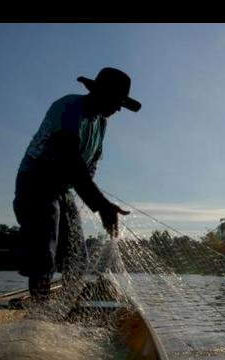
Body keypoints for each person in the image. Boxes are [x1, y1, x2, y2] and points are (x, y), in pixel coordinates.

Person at [13, 67, 139, 300]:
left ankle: (65, 306)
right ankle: (39, 314)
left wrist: (98, 201)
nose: (119, 107)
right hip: (36, 181)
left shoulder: (100, 123)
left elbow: (87, 168)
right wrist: (101, 205)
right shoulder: (70, 108)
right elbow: (69, 158)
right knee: (43, 248)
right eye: (117, 100)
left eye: (122, 102)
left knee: (77, 256)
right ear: (99, 92)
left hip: (63, 189)